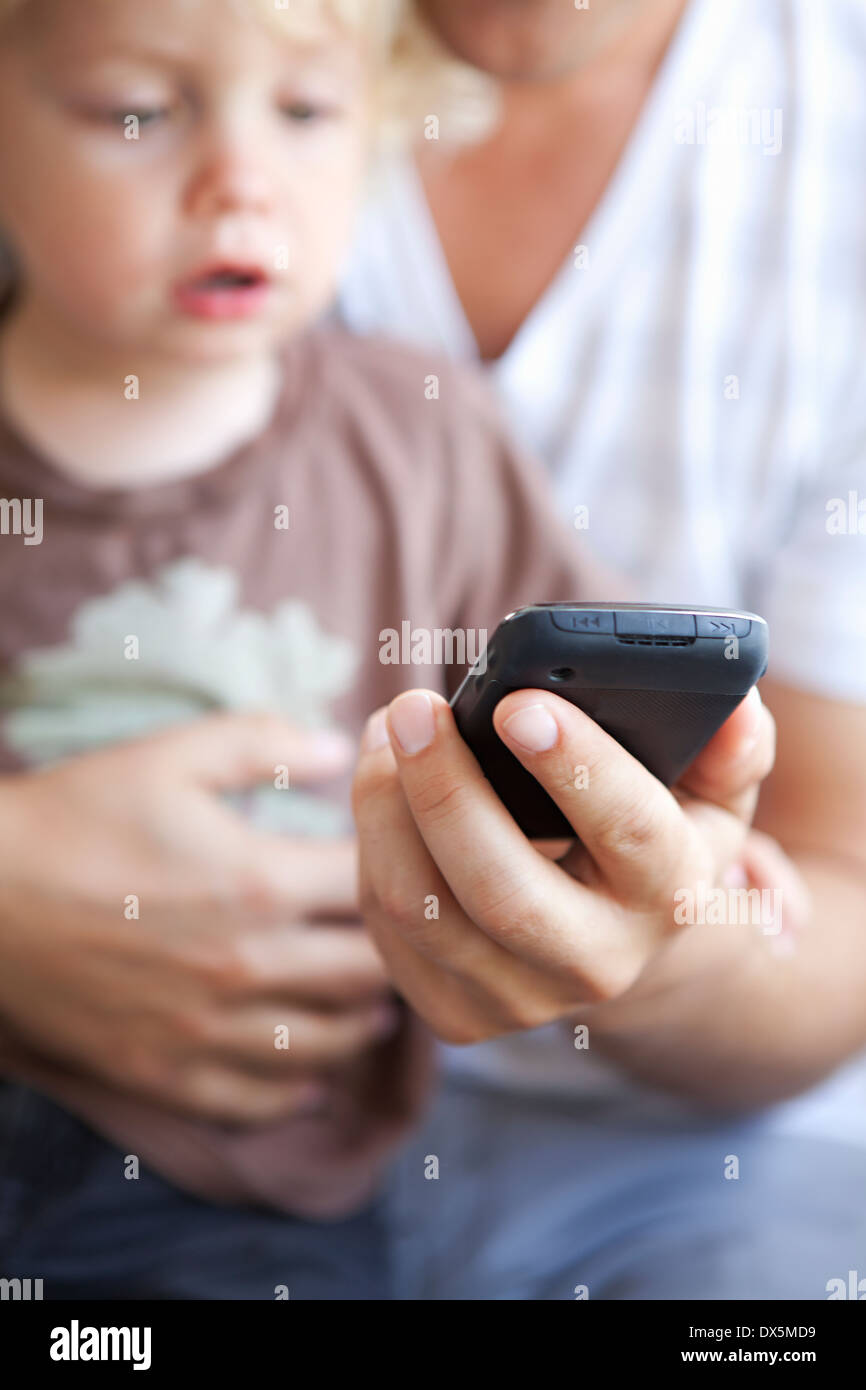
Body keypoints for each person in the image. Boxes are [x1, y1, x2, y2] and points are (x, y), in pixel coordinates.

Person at [0, 0, 615, 1298]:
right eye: (135, 112)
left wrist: (703, 850)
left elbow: (585, 720)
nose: (240, 185)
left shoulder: (420, 440)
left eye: (303, 113)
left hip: (240, 1183)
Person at [343, 0, 866, 1298]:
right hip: (166, 1126)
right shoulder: (131, 56)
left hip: (694, 1166)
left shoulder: (830, 138)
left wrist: (665, 960)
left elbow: (839, 895)